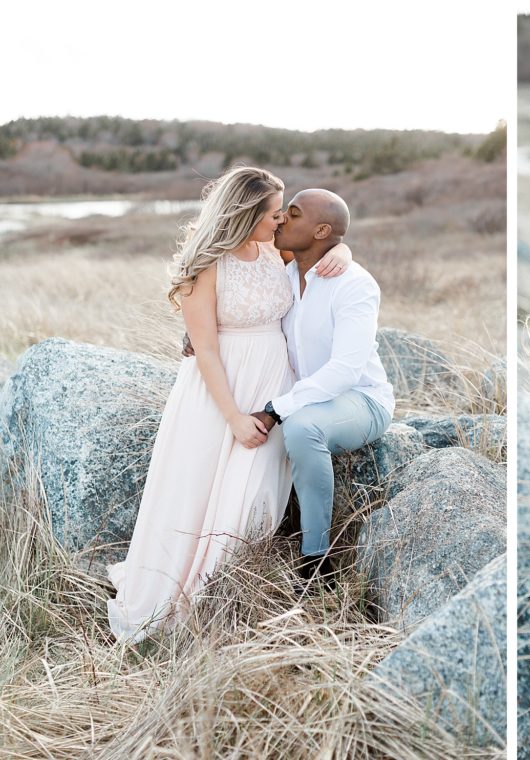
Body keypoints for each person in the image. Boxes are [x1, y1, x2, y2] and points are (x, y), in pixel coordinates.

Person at [107, 167, 349, 642]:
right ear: (245, 214)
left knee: (252, 498)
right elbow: (207, 350)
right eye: (274, 212)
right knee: (195, 491)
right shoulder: (207, 263)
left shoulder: (271, 248)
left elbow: (321, 242)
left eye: (284, 213)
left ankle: (223, 594)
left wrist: (341, 248)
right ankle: (184, 604)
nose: (281, 220)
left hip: (271, 388)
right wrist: (235, 417)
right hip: (218, 394)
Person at [252, 188, 394, 584]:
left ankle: (316, 561)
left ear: (322, 230)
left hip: (362, 399)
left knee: (301, 427)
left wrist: (277, 408)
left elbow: (346, 370)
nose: (281, 219)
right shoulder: (282, 272)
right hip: (310, 398)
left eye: (293, 214)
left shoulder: (354, 284)